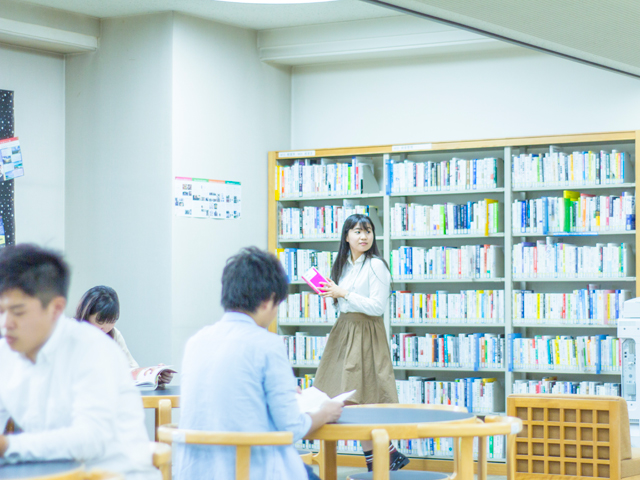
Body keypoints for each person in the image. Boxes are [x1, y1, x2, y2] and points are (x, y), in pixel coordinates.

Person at [175, 247, 343, 480]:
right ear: (267, 301)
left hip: (195, 472)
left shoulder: (196, 342)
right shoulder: (267, 344)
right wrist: (324, 413)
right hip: (249, 470)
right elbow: (291, 428)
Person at [0, 244, 159, 479]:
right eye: (1, 311)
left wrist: (9, 447)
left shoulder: (93, 350)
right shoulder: (6, 354)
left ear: (55, 308)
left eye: (18, 311)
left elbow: (89, 440)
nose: (6, 323)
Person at [314, 213, 409, 471]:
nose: (364, 236)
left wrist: (343, 292)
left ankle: (383, 457)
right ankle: (386, 456)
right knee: (343, 395)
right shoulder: (343, 264)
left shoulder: (376, 265)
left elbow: (377, 307)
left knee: (361, 397)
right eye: (357, 231)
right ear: (346, 236)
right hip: (344, 331)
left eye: (368, 231)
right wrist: (333, 293)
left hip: (366, 332)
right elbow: (345, 302)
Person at [75, 286, 173, 385]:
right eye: (100, 321)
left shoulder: (114, 335)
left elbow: (131, 371)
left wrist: (155, 376)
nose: (105, 327)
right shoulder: (70, 334)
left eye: (111, 321)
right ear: (86, 314)